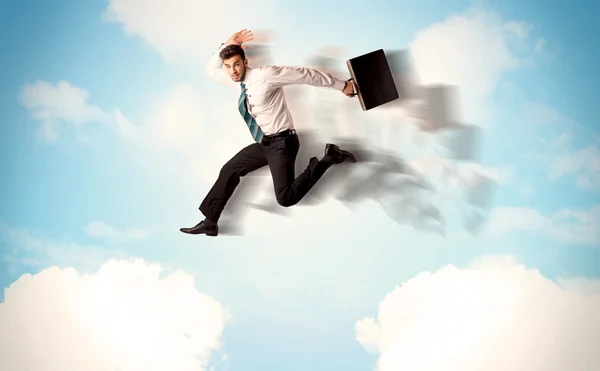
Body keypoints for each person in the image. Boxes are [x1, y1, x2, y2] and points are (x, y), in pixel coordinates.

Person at [180, 29, 358, 236]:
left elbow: (304, 75)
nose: (232, 71)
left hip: (283, 143)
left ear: (246, 63)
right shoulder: (238, 82)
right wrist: (228, 42)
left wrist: (341, 85)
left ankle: (329, 158)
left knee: (285, 198)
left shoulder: (266, 75)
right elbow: (212, 70)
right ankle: (210, 221)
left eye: (236, 64)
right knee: (229, 169)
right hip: (265, 143)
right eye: (228, 67)